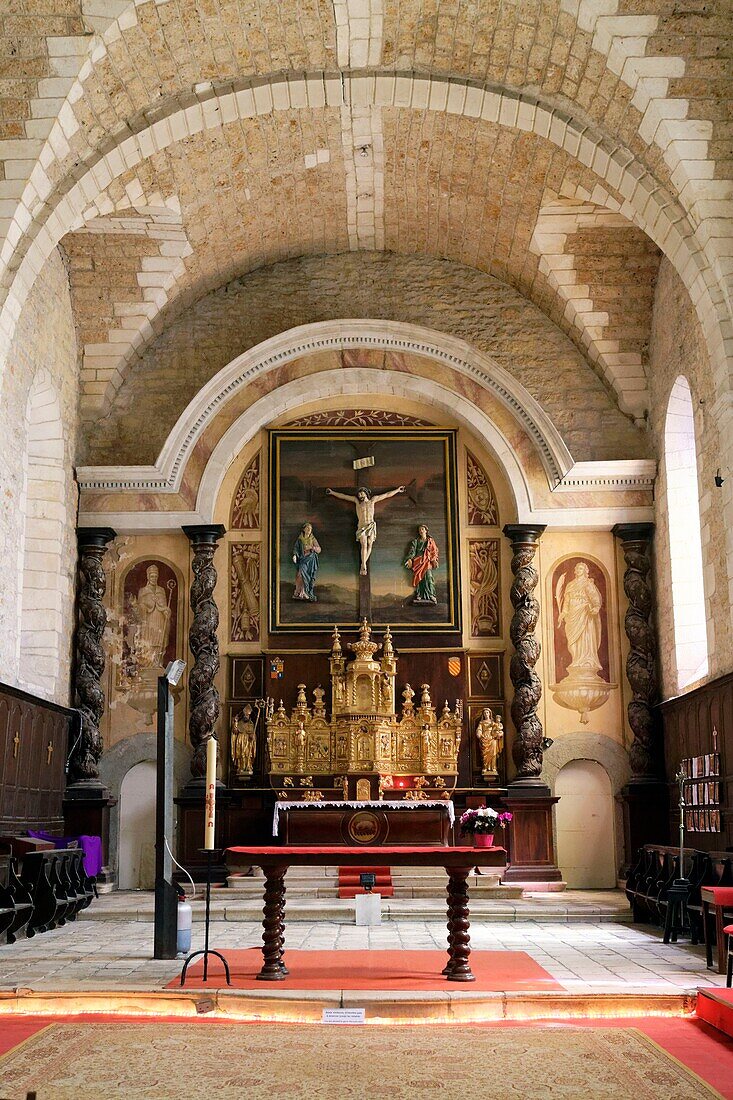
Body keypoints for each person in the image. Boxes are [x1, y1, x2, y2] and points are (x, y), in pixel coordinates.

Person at [326, 484, 405, 575]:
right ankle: (363, 565)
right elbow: (344, 496)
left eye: (361, 494)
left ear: (366, 493)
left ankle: (363, 565)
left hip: (370, 525)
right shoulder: (357, 502)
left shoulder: (373, 500)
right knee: (364, 544)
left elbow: (386, 495)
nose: (359, 496)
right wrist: (332, 492)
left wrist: (397, 490)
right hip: (362, 526)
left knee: (370, 543)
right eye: (359, 494)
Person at [556, 561, 603, 674]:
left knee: (585, 637)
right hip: (572, 615)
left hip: (584, 613)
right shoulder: (570, 585)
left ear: (585, 571)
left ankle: (587, 661)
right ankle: (576, 660)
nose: (578, 570)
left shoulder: (588, 583)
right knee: (572, 640)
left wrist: (595, 607)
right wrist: (563, 613)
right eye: (577, 568)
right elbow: (566, 602)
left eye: (581, 568)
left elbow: (595, 598)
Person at [134, 564, 171, 667]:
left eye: (155, 576)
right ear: (148, 577)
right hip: (148, 619)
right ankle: (148, 665)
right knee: (149, 642)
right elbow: (140, 606)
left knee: (159, 642)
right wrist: (141, 607)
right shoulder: (143, 591)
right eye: (152, 576)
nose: (154, 578)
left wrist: (166, 611)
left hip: (159, 619)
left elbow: (163, 606)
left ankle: (157, 663)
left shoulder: (161, 590)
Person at [404, 524, 439, 603]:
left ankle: (431, 595)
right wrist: (409, 559)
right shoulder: (416, 541)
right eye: (420, 530)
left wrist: (434, 560)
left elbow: (434, 551)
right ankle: (419, 594)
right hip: (418, 562)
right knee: (419, 578)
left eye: (422, 529)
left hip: (427, 562)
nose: (421, 531)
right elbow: (412, 552)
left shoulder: (430, 541)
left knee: (429, 577)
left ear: (426, 531)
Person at [292, 522, 321, 601]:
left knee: (309, 576)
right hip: (303, 559)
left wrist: (312, 547)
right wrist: (294, 555)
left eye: (310, 529)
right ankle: (300, 592)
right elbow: (296, 548)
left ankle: (306, 593)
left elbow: (319, 549)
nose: (309, 530)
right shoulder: (300, 539)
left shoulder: (312, 539)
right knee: (301, 574)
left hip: (311, 560)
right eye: (307, 528)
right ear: (304, 529)